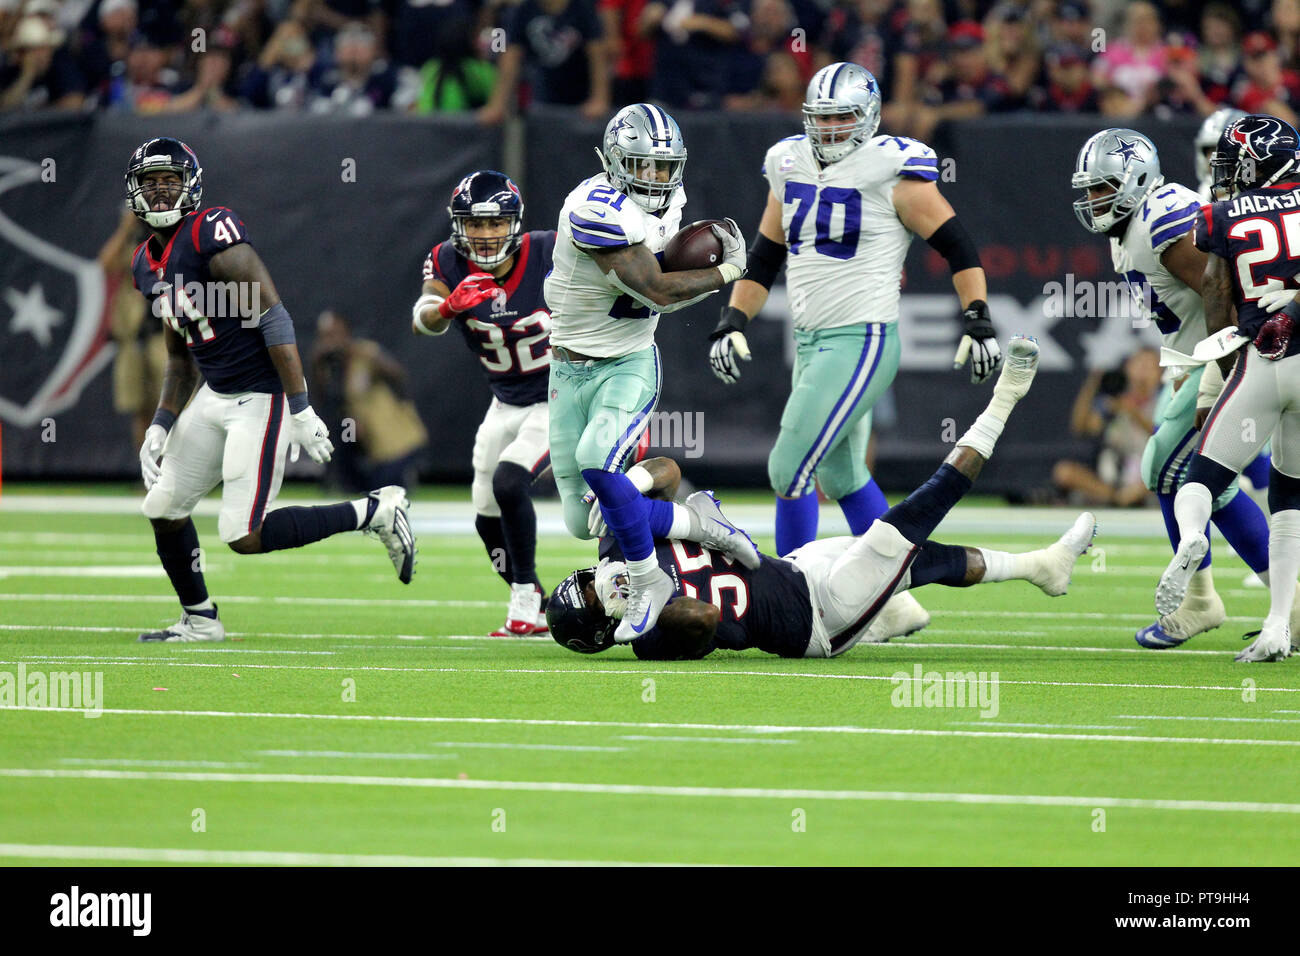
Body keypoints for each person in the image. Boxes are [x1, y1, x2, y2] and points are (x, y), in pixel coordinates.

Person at [548, 337, 1097, 660]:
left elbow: (666, 469)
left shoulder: (614, 545)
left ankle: (1040, 567)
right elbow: (703, 620)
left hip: (792, 567)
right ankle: (1005, 399)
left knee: (922, 562)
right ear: (605, 632)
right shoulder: (647, 635)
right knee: (906, 524)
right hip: (816, 615)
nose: (603, 587)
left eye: (588, 585)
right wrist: (647, 603)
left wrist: (637, 494)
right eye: (598, 604)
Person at [707, 62, 999, 639]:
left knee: (788, 466)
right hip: (813, 340)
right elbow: (765, 255)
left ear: (867, 117)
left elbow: (957, 245)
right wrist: (732, 317)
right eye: (823, 118)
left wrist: (977, 316)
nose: (833, 128)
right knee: (840, 474)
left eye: (844, 116)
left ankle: (795, 600)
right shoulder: (786, 161)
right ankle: (890, 599)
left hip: (862, 337)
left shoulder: (893, 166)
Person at [128, 137, 416, 642]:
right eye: (149, 183)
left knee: (243, 534)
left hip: (260, 396)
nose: (158, 192)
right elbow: (179, 357)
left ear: (189, 186)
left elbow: (272, 315)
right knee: (162, 505)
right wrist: (160, 423)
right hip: (215, 394)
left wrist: (300, 406)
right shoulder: (144, 265)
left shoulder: (209, 234)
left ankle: (374, 510)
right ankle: (200, 618)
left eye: (168, 181)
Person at [544, 103, 749, 641]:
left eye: (663, 166)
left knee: (596, 460)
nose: (655, 178)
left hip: (628, 364)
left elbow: (659, 292)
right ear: (612, 161)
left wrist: (700, 273)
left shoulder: (671, 201)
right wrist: (725, 272)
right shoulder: (593, 208)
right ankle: (698, 524)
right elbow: (655, 289)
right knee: (579, 520)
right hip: (566, 368)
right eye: (641, 165)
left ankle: (647, 578)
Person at [1072, 127, 1272, 649]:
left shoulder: (1163, 221)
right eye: (1089, 189)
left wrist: (1226, 377)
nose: (1093, 199)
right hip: (1202, 356)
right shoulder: (1133, 225)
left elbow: (1224, 293)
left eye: (1103, 187)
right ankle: (1277, 602)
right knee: (1212, 484)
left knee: (1164, 464)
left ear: (1137, 181)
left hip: (1232, 349)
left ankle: (1202, 601)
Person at [1161, 114, 1300, 662]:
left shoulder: (1220, 214)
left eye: (1237, 161)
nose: (1228, 172)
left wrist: (1217, 370)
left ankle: (1194, 536)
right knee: (1290, 498)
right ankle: (1277, 626)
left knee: (1202, 478)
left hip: (1260, 363)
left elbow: (1216, 288)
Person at [412, 170, 556, 635]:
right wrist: (448, 308)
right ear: (459, 226)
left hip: (559, 396)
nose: (487, 234)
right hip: (505, 401)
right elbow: (422, 322)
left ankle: (527, 598)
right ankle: (539, 601)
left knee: (510, 483)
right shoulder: (447, 262)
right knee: (485, 512)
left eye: (496, 224)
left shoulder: (550, 250)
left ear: (515, 222)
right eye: (476, 224)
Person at [308, 310, 428, 493]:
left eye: (334, 335)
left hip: (394, 439)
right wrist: (317, 366)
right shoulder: (329, 367)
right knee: (344, 434)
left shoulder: (365, 353)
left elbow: (397, 374)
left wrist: (404, 406)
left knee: (386, 487)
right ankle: (342, 481)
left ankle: (406, 472)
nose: (330, 342)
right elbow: (322, 401)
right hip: (367, 442)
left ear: (345, 332)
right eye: (325, 337)